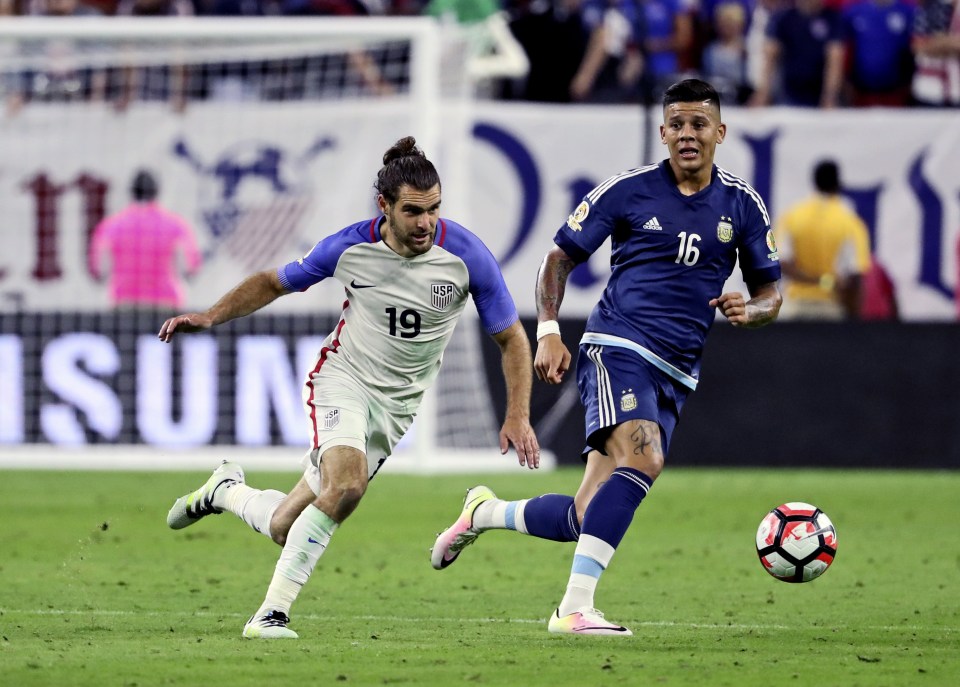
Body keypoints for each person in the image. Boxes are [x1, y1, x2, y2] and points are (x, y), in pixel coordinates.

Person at [430, 79, 782, 635]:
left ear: (720, 132)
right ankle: (573, 608)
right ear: (662, 132)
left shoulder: (742, 206)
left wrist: (752, 311)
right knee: (645, 459)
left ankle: (484, 513)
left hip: (678, 369)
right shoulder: (628, 191)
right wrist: (548, 329)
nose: (687, 135)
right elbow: (557, 259)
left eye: (698, 124)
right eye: (677, 125)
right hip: (619, 345)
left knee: (584, 515)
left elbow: (771, 294)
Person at [160, 136, 540, 639]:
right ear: (384, 207)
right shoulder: (349, 246)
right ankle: (270, 614)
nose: (426, 223)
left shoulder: (466, 256)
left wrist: (517, 414)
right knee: (347, 486)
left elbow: (512, 338)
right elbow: (274, 282)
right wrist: (210, 315)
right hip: (342, 379)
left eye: (433, 210)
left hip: (397, 407)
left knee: (283, 527)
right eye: (412, 211)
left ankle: (225, 490)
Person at [89, 169, 202, 310]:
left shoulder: (111, 226)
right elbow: (189, 268)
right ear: (156, 192)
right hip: (165, 305)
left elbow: (99, 270)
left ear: (131, 192)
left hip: (124, 304)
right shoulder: (176, 226)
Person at [774, 160, 872, 320]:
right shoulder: (851, 223)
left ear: (814, 182)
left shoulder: (792, 216)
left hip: (794, 306)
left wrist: (814, 280)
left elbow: (780, 262)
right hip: (831, 307)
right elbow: (855, 276)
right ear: (838, 184)